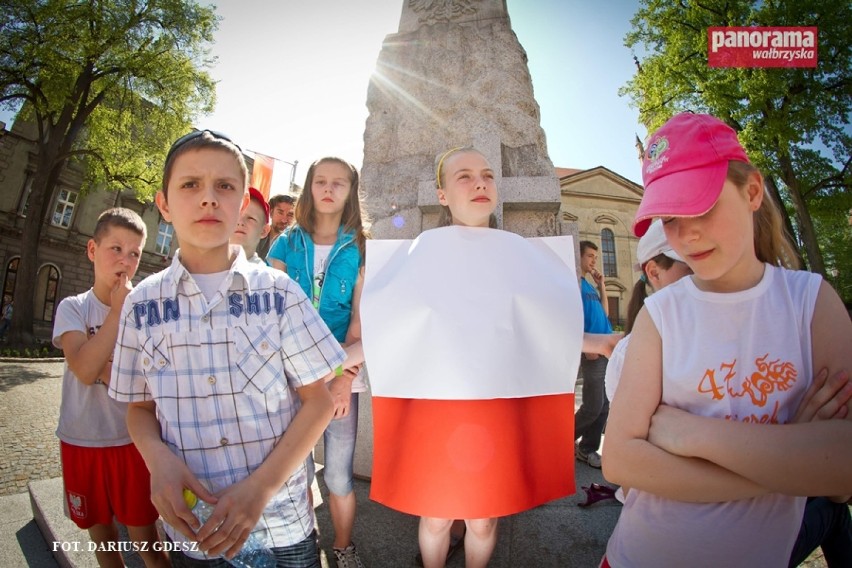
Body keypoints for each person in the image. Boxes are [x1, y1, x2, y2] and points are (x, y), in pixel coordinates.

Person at [601, 113, 852, 567]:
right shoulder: (661, 316)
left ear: (752, 191)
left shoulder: (811, 304)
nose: (686, 232)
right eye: (671, 218)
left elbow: (842, 472)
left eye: (701, 207)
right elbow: (621, 462)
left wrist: (692, 433)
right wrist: (791, 459)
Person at [109, 130, 361, 567]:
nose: (208, 199)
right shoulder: (140, 305)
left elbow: (317, 401)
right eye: (190, 185)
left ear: (242, 202)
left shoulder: (279, 293)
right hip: (193, 529)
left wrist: (261, 487)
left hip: (282, 524)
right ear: (163, 204)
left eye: (224, 186)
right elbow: (138, 407)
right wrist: (158, 461)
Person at [53, 208, 168, 568]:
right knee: (102, 540)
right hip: (80, 440)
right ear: (92, 249)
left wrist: (105, 364)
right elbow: (85, 370)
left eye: (134, 253)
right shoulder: (73, 308)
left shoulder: (146, 313)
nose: (125, 261)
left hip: (129, 441)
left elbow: (149, 379)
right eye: (115, 249)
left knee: (147, 539)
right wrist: (117, 316)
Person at [267, 157, 368, 568]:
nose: (328, 189)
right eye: (320, 181)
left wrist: (343, 379)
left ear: (350, 191)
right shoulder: (285, 243)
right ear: (309, 188)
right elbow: (269, 317)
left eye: (338, 183)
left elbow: (360, 321)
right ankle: (303, 546)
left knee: (339, 475)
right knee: (297, 474)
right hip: (290, 380)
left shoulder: (360, 245)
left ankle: (343, 547)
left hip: (342, 376)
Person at [574, 240, 613, 468]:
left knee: (604, 406)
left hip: (604, 348)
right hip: (593, 350)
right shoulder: (576, 284)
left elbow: (605, 314)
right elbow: (575, 315)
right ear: (578, 257)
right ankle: (562, 442)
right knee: (593, 406)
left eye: (595, 258)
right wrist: (588, 348)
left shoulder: (589, 286)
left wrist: (602, 286)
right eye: (589, 256)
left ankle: (587, 448)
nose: (593, 261)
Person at [231, 186, 271, 265]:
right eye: (235, 215)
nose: (240, 222)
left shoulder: (265, 276)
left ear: (264, 231)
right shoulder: (202, 269)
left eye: (251, 218)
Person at [257, 193, 296, 260]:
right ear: (271, 213)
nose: (284, 220)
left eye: (290, 215)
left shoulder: (297, 246)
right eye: (280, 213)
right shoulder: (257, 237)